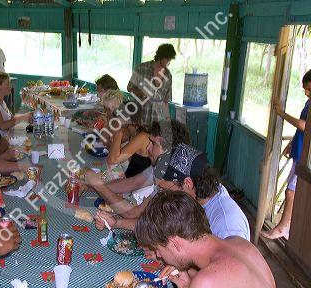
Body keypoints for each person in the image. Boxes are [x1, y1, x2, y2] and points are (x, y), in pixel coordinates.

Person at [93, 143, 250, 242]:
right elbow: (161, 225)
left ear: (187, 183)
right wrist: (117, 223)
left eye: (164, 189)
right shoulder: (196, 197)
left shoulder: (226, 224)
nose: (162, 194)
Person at [135, 192, 275, 288]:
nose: (159, 255)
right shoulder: (240, 243)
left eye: (158, 250)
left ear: (174, 243)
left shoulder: (206, 282)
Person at [262, 70, 311, 240]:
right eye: (305, 89)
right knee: (292, 191)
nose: (306, 93)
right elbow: (301, 131)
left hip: (306, 157)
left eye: (309, 89)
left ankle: (283, 228)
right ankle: (286, 227)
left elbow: (304, 126)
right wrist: (292, 144)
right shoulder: (308, 103)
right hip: (299, 152)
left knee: (291, 192)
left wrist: (280, 113)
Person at [127, 43, 176, 126]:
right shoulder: (142, 68)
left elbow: (165, 102)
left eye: (170, 60)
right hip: (140, 117)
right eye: (167, 59)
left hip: (158, 121)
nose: (169, 62)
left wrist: (167, 121)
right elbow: (129, 87)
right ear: (160, 56)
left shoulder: (168, 75)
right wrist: (140, 93)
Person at [107, 102, 152, 178]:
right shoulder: (132, 132)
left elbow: (112, 160)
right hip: (131, 179)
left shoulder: (143, 137)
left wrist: (119, 133)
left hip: (138, 186)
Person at [0, 72, 30, 136]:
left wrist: (28, 116)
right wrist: (23, 117)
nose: (10, 87)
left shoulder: (2, 102)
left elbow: (12, 119)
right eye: (7, 84)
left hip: (7, 137)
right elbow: (2, 126)